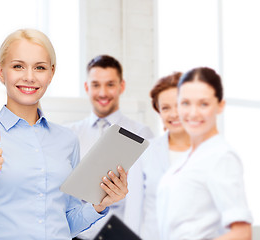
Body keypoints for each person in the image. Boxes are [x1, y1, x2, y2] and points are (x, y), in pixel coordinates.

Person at [0, 28, 129, 240]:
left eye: (39, 67)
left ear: (51, 74)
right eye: (18, 66)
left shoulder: (67, 139)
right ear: (1, 71)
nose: (29, 77)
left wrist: (99, 205)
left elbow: (66, 222)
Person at [156, 67, 252, 240]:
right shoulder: (188, 158)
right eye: (185, 103)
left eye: (204, 104)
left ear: (220, 105)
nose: (193, 113)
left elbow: (242, 233)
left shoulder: (221, 157)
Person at [67, 55, 154, 240]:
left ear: (121, 86)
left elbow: (149, 196)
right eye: (96, 85)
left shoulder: (142, 134)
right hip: (77, 235)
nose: (103, 92)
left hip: (120, 235)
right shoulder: (70, 134)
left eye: (110, 84)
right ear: (86, 87)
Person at [124, 72, 191, 239]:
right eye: (165, 108)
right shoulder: (144, 151)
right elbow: (133, 213)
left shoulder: (209, 153)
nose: (173, 114)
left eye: (179, 105)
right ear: (159, 112)